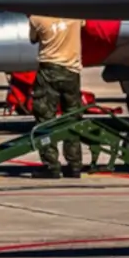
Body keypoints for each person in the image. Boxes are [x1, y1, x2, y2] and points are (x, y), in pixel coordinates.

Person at [27, 15, 86, 178]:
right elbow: (85, 24)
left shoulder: (37, 17)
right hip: (72, 71)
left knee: (45, 118)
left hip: (49, 70)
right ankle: (74, 164)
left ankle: (51, 165)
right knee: (72, 118)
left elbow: (33, 39)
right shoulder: (74, 13)